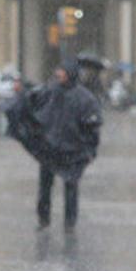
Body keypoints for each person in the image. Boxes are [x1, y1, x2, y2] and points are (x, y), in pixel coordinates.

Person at [33, 60, 102, 231]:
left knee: (71, 187)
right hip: (49, 148)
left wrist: (90, 148)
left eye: (62, 72)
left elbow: (92, 126)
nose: (59, 75)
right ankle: (44, 219)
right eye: (58, 72)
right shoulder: (50, 92)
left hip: (72, 150)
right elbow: (36, 111)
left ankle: (69, 222)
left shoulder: (83, 97)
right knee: (45, 187)